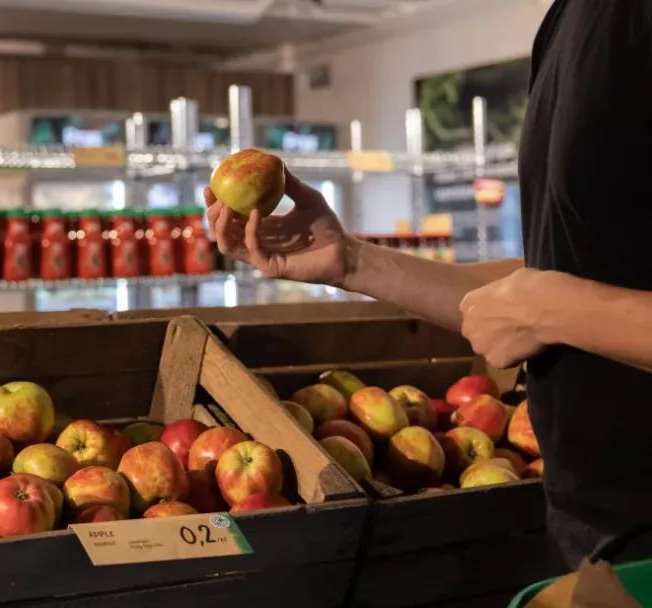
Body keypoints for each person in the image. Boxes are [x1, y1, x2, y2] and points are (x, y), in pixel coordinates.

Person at [205, 0, 652, 568]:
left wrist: (553, 310)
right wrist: (348, 261)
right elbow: (560, 279)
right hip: (596, 535)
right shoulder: (569, 22)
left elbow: (554, 298)